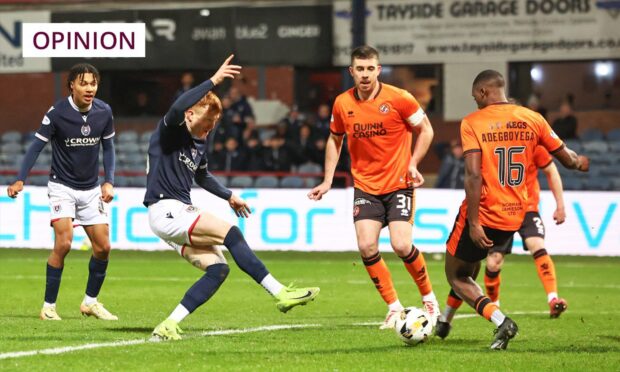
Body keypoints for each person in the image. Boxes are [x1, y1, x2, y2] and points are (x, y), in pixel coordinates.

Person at [144, 55, 319, 341]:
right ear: (190, 114)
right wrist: (214, 80)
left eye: (214, 123)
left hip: (170, 218)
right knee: (232, 234)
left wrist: (229, 196)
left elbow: (202, 176)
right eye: (206, 120)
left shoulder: (198, 144)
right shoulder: (170, 132)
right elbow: (176, 106)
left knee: (218, 269)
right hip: (168, 209)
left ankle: (169, 324)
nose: (209, 128)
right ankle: (280, 292)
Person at [436, 70, 589, 350]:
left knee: (456, 274)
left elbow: (472, 176)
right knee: (471, 267)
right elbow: (567, 160)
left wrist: (472, 222)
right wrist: (581, 163)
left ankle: (500, 320)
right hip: (514, 216)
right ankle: (444, 321)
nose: (475, 103)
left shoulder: (473, 122)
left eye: (475, 98)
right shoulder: (533, 118)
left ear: (483, 93)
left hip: (484, 212)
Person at [307, 45, 439, 329]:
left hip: (399, 183)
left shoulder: (400, 98)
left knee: (401, 244)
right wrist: (328, 179)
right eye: (360, 69)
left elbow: (425, 129)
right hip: (365, 186)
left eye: (370, 69)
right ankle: (394, 308)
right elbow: (334, 139)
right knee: (367, 246)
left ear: (378, 70)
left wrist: (414, 163)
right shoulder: (343, 103)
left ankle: (429, 298)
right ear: (351, 71)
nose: (365, 75)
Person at [6, 63, 117, 321]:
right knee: (64, 243)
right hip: (62, 187)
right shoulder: (57, 113)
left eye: (93, 83)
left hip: (91, 189)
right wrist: (21, 179)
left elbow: (109, 148)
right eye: (84, 83)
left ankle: (90, 303)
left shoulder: (104, 111)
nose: (89, 88)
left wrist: (108, 181)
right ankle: (48, 307)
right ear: (72, 86)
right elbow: (36, 147)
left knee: (103, 247)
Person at [437, 146, 571, 343]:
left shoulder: (529, 144)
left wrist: (560, 204)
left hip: (517, 209)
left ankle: (552, 298)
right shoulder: (519, 138)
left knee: (535, 245)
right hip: (503, 209)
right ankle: (492, 307)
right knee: (491, 264)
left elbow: (551, 169)